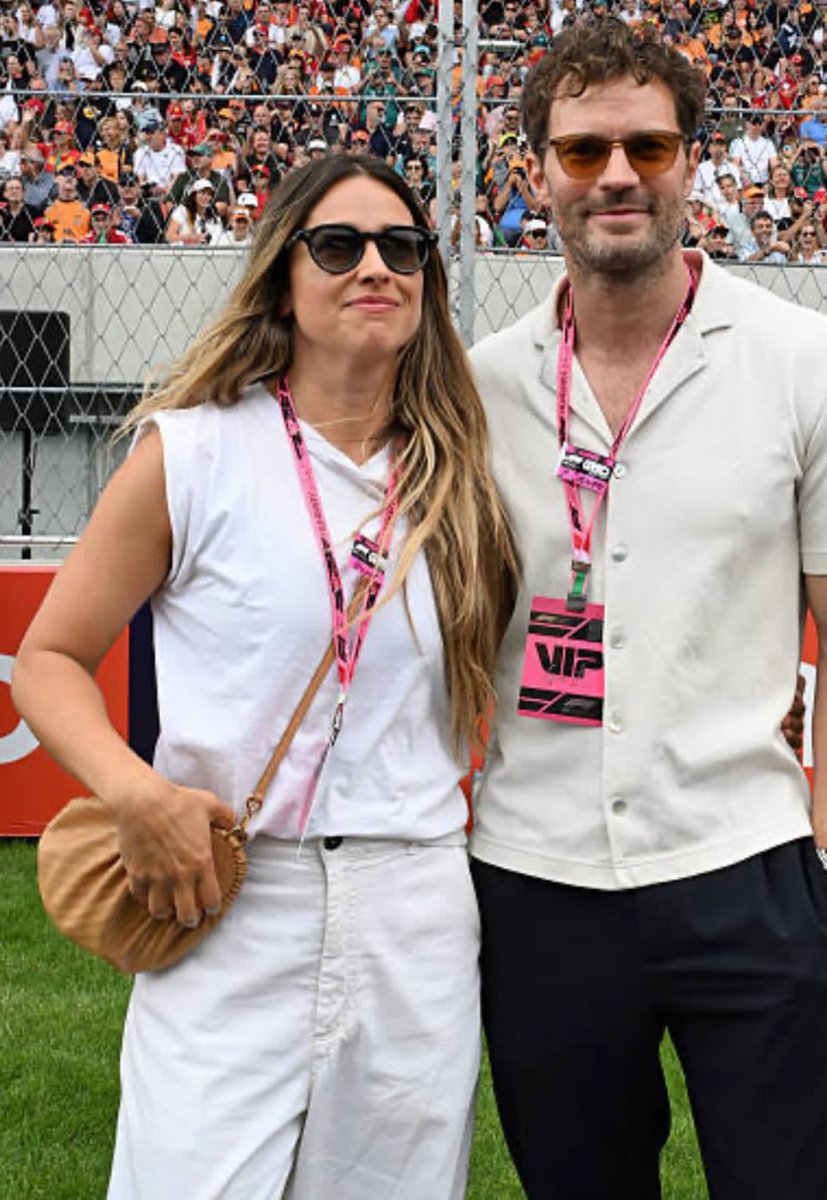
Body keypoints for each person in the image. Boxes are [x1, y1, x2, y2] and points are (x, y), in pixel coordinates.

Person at [12, 154, 516, 1200]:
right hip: (227, 892)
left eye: (403, 248)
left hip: (412, 899)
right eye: (338, 246)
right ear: (282, 276)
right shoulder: (191, 454)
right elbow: (49, 661)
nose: (374, 267)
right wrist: (137, 792)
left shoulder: (469, 478)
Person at [469, 20, 827, 1200]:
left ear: (692, 162)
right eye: (583, 151)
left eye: (648, 147)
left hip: (751, 864)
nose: (616, 175)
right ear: (536, 173)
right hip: (535, 874)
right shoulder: (475, 384)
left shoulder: (805, 359)